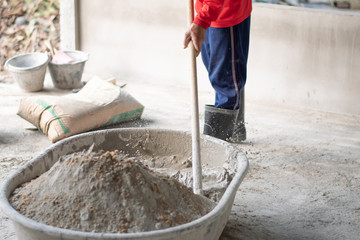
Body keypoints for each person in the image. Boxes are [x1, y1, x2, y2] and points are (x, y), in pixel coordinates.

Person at [183, 0, 252, 143]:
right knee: (219, 71)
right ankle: (234, 130)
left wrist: (202, 20)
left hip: (225, 12)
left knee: (226, 81)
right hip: (210, 11)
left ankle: (217, 150)